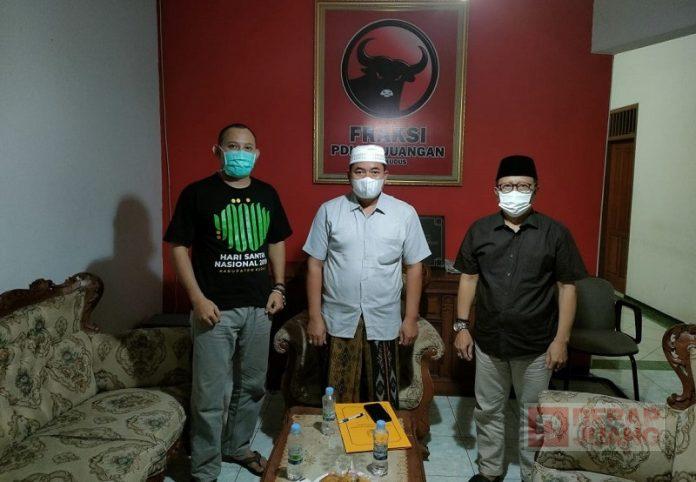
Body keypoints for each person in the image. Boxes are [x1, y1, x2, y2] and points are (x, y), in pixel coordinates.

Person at [164, 123, 292, 482]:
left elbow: (276, 241)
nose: (241, 153)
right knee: (209, 395)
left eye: (248, 147)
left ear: (257, 154)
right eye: (233, 146)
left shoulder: (267, 193)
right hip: (214, 310)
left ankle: (237, 447)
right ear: (217, 151)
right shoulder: (197, 193)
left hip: (259, 308)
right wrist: (197, 300)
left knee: (252, 386)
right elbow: (178, 247)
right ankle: (205, 468)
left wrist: (279, 287)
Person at [453, 155, 587, 482]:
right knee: (488, 410)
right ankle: (489, 471)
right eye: (508, 186)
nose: (515, 192)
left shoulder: (555, 233)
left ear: (535, 190)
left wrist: (561, 340)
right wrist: (461, 326)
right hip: (489, 341)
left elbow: (567, 287)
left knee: (535, 415)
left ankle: (532, 473)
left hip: (537, 344)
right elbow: (468, 278)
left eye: (523, 186)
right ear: (495, 190)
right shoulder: (480, 230)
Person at [303, 144, 431, 407]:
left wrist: (410, 318)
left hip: (384, 318)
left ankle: (382, 433)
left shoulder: (404, 213)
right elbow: (314, 265)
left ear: (386, 175)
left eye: (374, 171)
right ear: (348, 175)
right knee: (337, 396)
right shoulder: (329, 211)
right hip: (338, 317)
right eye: (359, 171)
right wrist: (315, 317)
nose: (367, 177)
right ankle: (338, 433)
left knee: (383, 401)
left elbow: (414, 267)